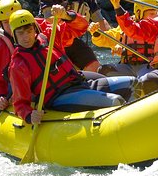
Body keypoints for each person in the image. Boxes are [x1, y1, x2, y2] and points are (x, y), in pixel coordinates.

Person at [8, 10, 136, 124]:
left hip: (80, 84)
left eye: (29, 31)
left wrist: (66, 15)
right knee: (115, 101)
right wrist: (29, 116)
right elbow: (20, 103)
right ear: (14, 35)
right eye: (21, 33)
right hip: (58, 97)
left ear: (35, 29)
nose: (26, 37)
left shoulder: (50, 38)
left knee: (133, 83)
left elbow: (81, 26)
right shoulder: (18, 64)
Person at [93, 0, 158, 78]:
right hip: (127, 66)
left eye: (157, 13)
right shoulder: (126, 25)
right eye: (152, 13)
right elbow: (105, 39)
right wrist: (96, 33)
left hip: (147, 66)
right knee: (103, 70)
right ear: (139, 12)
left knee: (147, 79)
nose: (156, 17)